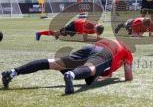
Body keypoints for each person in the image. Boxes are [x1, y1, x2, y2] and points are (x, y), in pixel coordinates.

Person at [1, 39, 133, 94]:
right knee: (91, 68)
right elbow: (128, 76)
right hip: (104, 52)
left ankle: (13, 72)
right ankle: (71, 74)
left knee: (54, 63)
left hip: (90, 47)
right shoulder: (127, 53)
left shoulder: (113, 42)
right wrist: (117, 79)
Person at [35, 18, 104, 41]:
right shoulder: (90, 24)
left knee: (61, 34)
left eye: (96, 32)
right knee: (57, 33)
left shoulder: (96, 29)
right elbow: (83, 33)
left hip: (76, 29)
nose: (95, 32)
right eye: (95, 31)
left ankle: (58, 35)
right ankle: (39, 33)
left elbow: (97, 35)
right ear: (95, 28)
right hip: (74, 24)